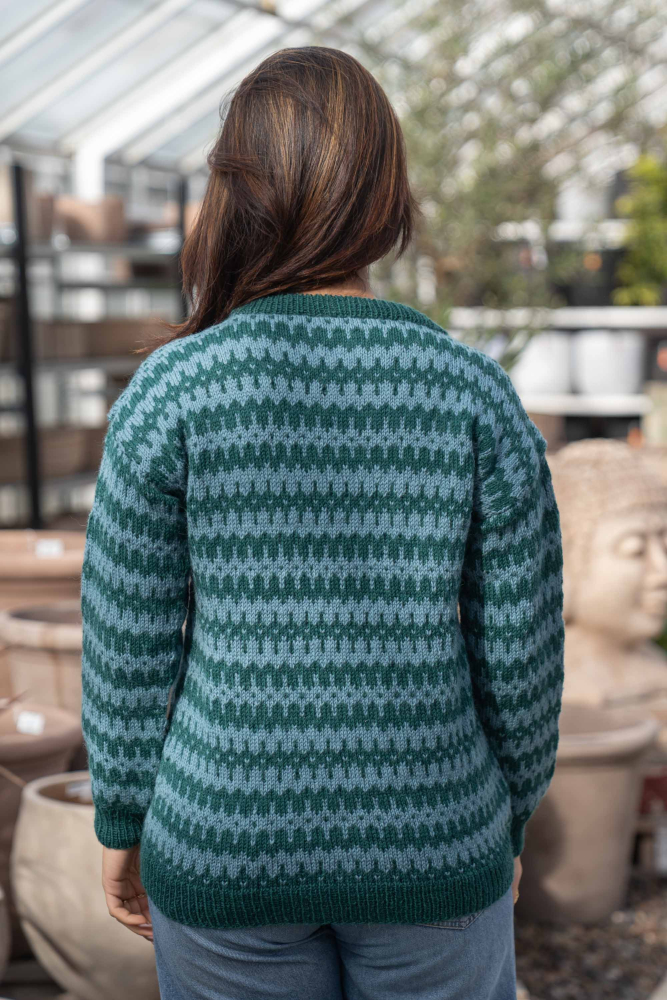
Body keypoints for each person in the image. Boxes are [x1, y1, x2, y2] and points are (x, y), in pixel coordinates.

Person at [80, 45, 564, 1000]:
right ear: (387, 191)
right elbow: (523, 649)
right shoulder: (472, 392)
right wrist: (505, 821)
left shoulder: (173, 392)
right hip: (434, 837)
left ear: (236, 192)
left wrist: (122, 818)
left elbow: (125, 638)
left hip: (224, 837)